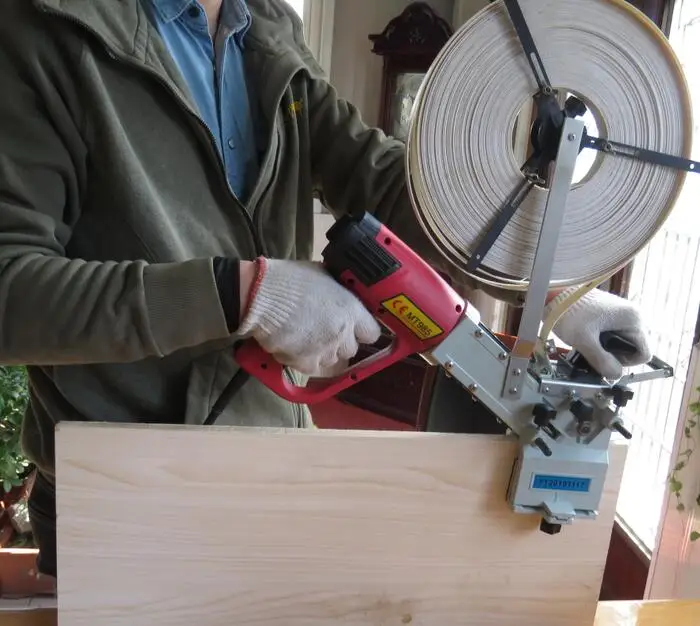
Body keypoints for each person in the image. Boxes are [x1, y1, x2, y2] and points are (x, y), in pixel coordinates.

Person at [0, 0, 651, 579]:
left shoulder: (265, 25)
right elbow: (10, 290)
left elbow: (383, 180)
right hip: (122, 490)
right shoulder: (44, 29)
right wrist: (242, 294)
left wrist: (546, 283)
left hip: (276, 459)